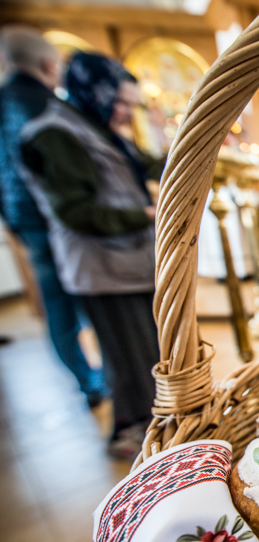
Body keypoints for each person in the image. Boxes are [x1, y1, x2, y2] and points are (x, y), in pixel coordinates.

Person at [19, 52, 163, 459]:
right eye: (121, 104)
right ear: (95, 93)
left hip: (130, 263)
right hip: (102, 269)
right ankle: (131, 435)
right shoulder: (56, 133)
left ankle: (156, 431)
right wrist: (145, 215)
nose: (124, 114)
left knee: (149, 356)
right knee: (128, 359)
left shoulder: (96, 127)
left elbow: (148, 165)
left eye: (130, 107)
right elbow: (74, 211)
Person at [0, 26, 105, 407]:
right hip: (68, 224)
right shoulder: (49, 108)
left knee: (56, 307)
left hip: (26, 223)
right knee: (95, 304)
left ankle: (87, 381)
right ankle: (104, 380)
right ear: (48, 65)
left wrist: (14, 220)